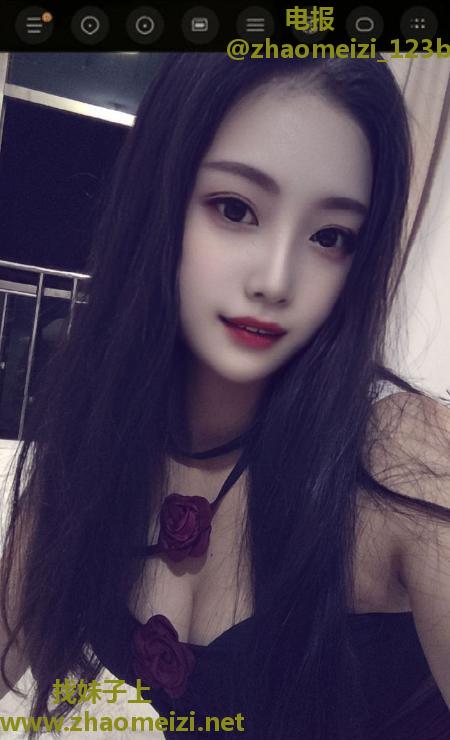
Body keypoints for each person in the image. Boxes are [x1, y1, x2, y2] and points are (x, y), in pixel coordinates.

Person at [1, 53, 450, 740]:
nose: (276, 279)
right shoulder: (97, 437)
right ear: (158, 201)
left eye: (330, 237)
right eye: (235, 209)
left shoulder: (403, 457)